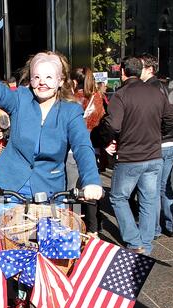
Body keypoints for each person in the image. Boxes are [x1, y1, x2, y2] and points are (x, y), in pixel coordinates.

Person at [0, 31, 102, 208]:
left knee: (55, 235)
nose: (42, 82)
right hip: (11, 187)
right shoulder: (20, 99)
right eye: (37, 77)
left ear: (60, 81)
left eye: (49, 77)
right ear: (30, 80)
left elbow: (82, 146)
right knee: (9, 235)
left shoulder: (71, 111)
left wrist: (91, 180)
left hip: (50, 190)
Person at [99, 56, 173, 255]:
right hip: (153, 154)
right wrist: (158, 134)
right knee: (149, 199)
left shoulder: (121, 95)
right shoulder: (156, 93)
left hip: (130, 156)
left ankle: (135, 241)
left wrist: (109, 139)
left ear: (122, 71)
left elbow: (113, 125)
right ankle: (146, 243)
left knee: (117, 197)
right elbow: (171, 119)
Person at [139, 52, 173, 238]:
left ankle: (155, 229)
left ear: (150, 69)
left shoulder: (151, 88)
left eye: (141, 66)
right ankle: (169, 224)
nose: (138, 70)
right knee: (164, 186)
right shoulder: (164, 87)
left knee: (153, 188)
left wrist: (156, 134)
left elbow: (168, 118)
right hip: (169, 142)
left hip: (160, 144)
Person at [71, 67, 106, 237]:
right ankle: (94, 230)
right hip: (95, 148)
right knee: (91, 189)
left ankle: (77, 229)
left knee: (75, 192)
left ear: (74, 82)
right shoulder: (98, 98)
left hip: (75, 150)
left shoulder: (72, 100)